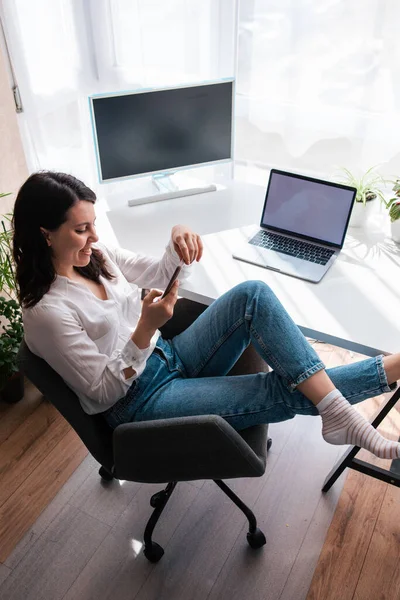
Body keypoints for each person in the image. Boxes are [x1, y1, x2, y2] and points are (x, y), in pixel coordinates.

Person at [12, 171, 400, 460]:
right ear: (45, 233)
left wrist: (179, 236)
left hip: (170, 355)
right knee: (274, 386)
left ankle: (337, 411)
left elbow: (162, 275)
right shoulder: (47, 312)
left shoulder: (95, 256)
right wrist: (144, 330)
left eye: (94, 224)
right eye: (82, 229)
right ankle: (376, 384)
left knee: (253, 294)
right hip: (139, 402)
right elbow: (101, 393)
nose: (95, 237)